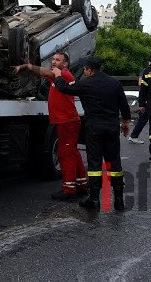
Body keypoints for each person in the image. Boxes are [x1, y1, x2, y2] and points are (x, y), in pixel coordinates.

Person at [53, 56, 131, 211]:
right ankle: (119, 200)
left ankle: (94, 200)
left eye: (85, 70)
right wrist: (125, 123)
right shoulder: (114, 83)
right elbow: (124, 105)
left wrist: (58, 75)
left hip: (94, 129)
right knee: (113, 163)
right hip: (112, 128)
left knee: (95, 163)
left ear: (88, 70)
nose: (85, 72)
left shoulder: (85, 83)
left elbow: (64, 88)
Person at [14, 52, 87, 202]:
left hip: (67, 122)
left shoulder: (63, 74)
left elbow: (45, 72)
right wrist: (29, 65)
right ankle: (81, 184)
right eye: (53, 59)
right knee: (73, 153)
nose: (53, 62)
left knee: (66, 155)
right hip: (67, 121)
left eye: (57, 60)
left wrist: (27, 66)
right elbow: (44, 72)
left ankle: (69, 189)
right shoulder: (57, 76)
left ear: (65, 64)